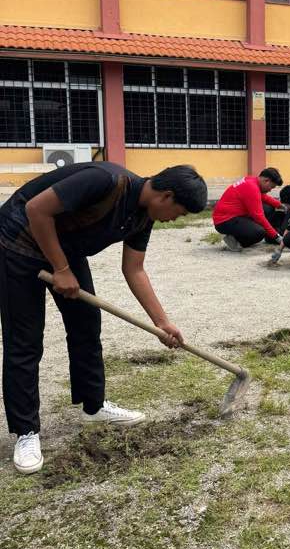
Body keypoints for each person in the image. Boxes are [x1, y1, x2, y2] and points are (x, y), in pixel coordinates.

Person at [0, 162, 208, 475]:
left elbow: (134, 269)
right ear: (166, 196)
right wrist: (61, 270)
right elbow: (36, 209)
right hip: (19, 240)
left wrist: (161, 324)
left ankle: (93, 406)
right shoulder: (106, 181)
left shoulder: (143, 216)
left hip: (64, 248)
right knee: (25, 340)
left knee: (86, 324)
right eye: (178, 213)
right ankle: (26, 432)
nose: (173, 219)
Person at [212, 168, 284, 252]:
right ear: (266, 180)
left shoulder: (251, 180)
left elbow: (263, 196)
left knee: (269, 208)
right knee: (259, 232)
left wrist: (279, 205)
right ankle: (235, 241)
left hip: (232, 215)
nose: (270, 190)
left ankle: (241, 232)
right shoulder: (252, 187)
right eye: (271, 186)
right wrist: (276, 236)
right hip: (224, 221)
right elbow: (259, 217)